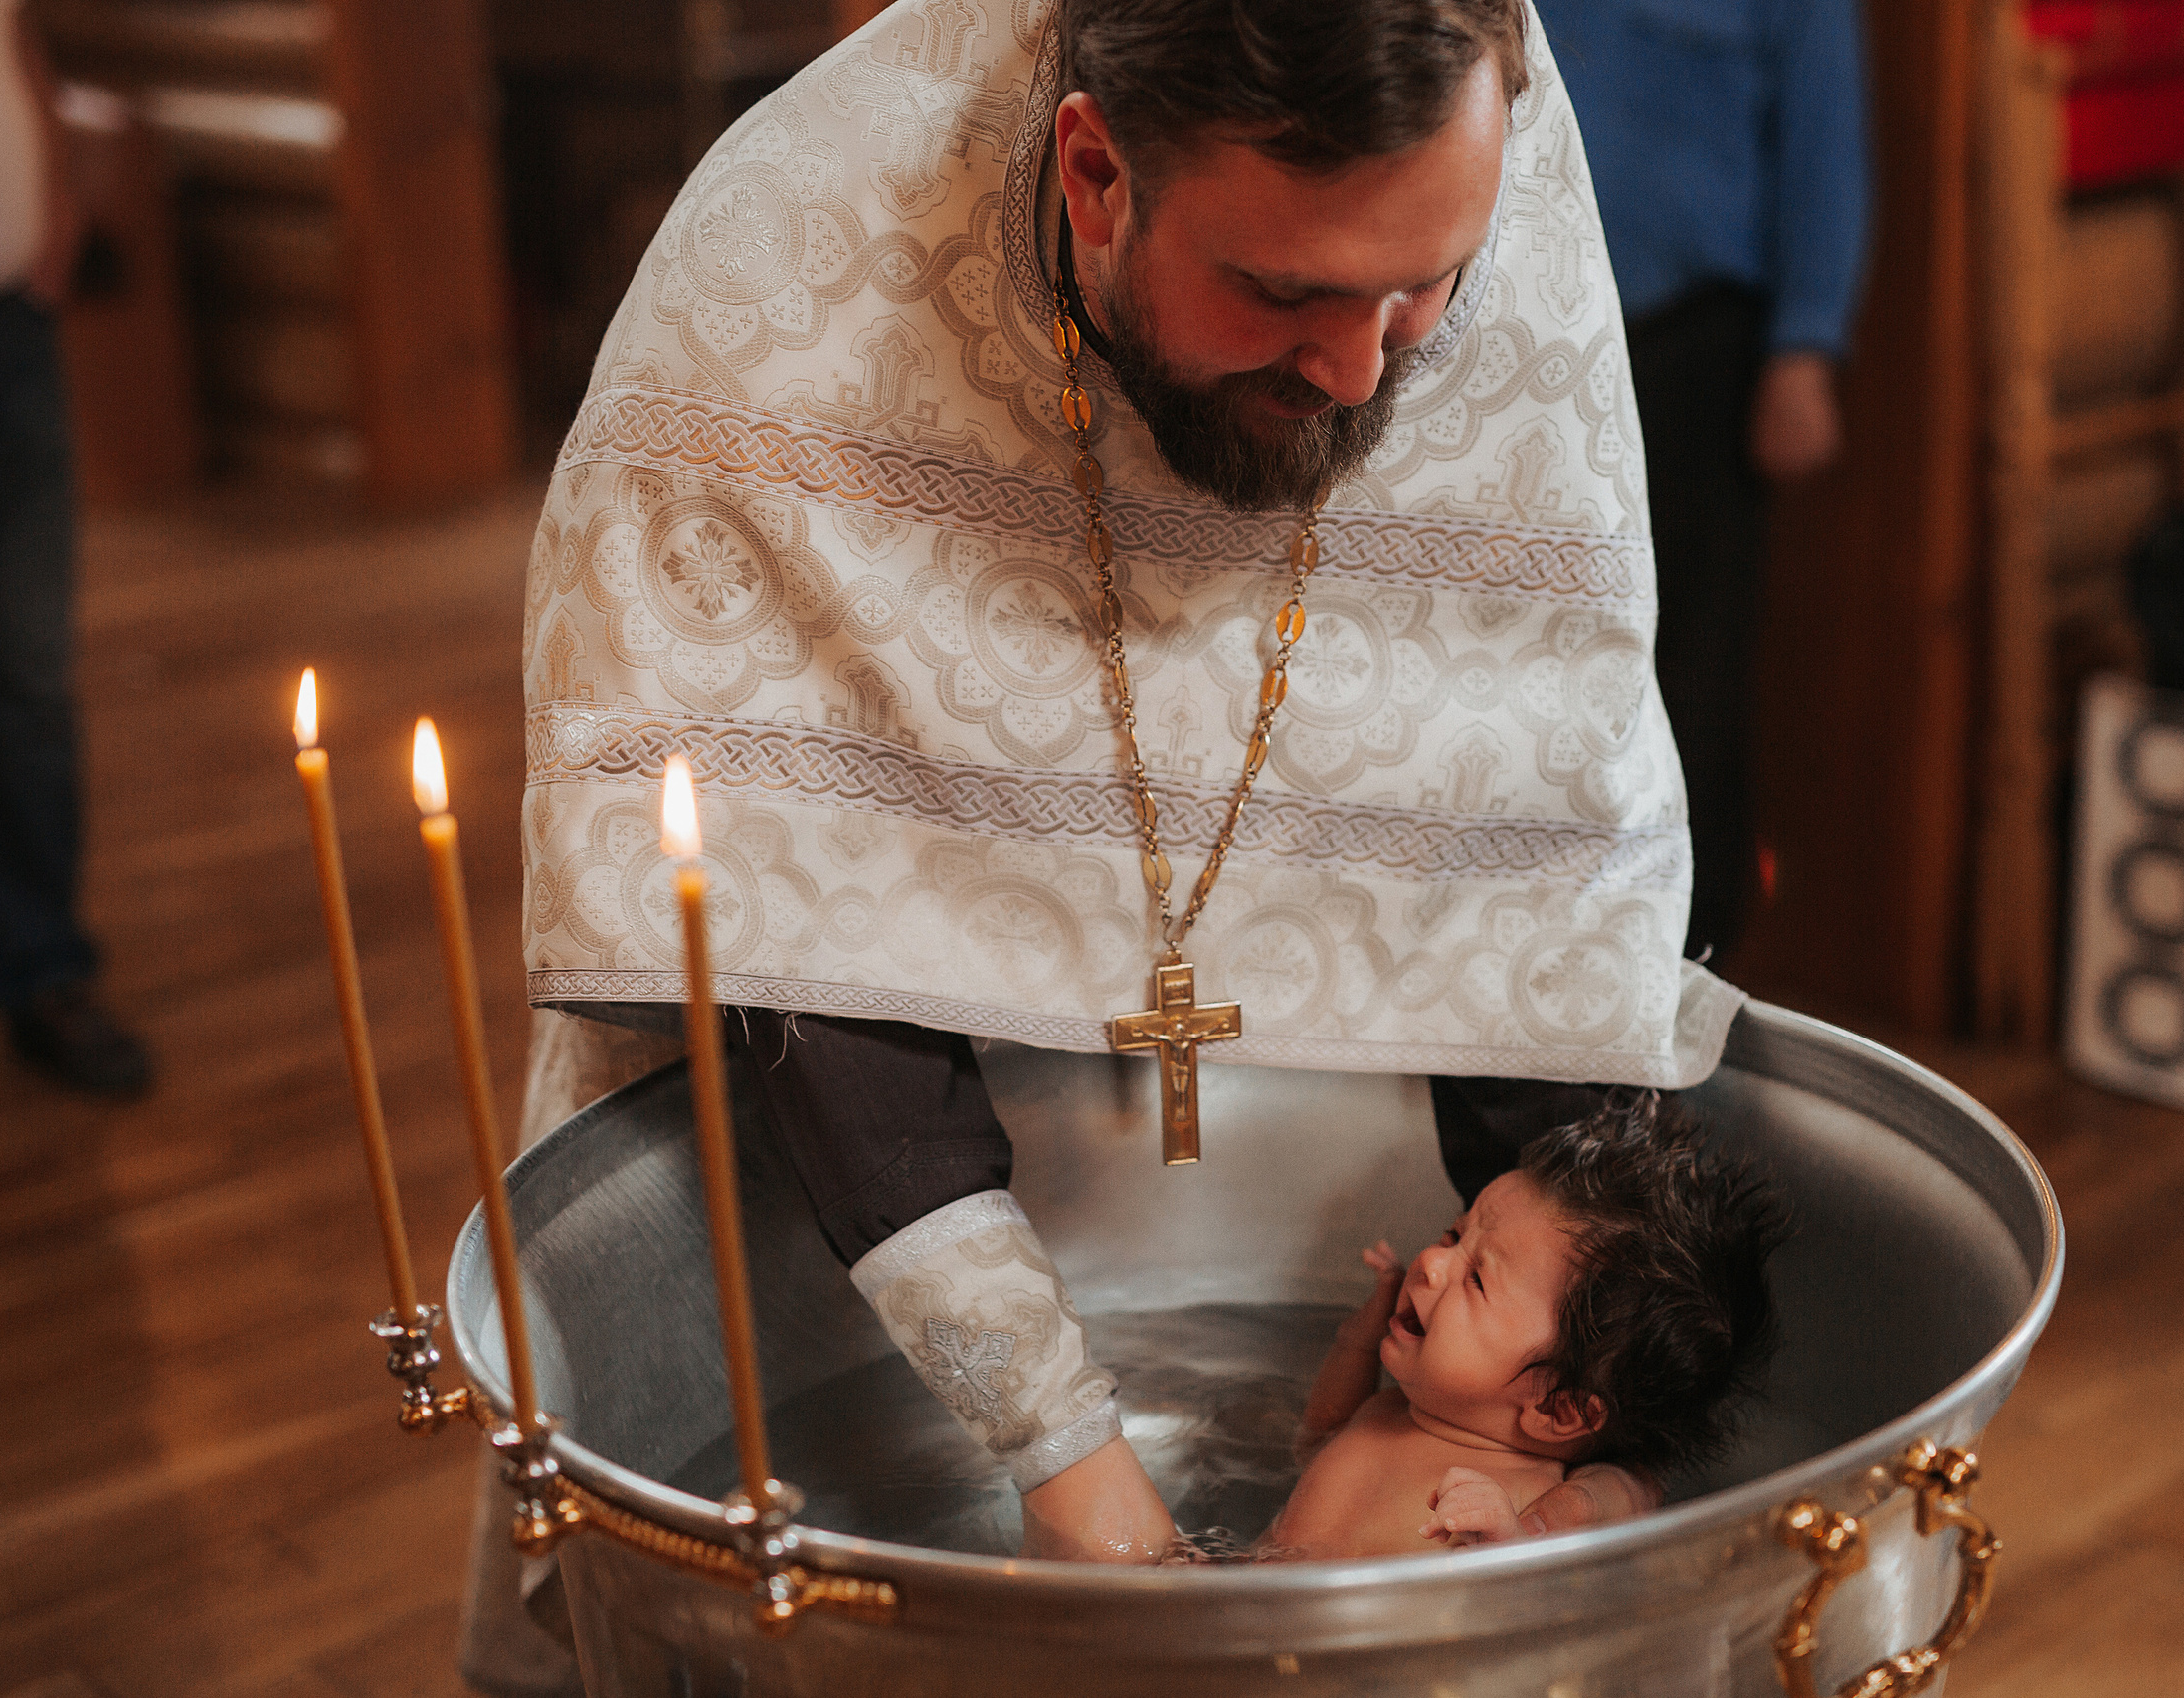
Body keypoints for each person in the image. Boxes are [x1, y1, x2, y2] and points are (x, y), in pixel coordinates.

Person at [469, 0, 1748, 1681]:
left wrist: (1607, 1483)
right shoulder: (787, 276)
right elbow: (790, 896)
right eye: (1287, 290)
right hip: (833, 1199)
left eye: (1423, 285)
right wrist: (1062, 1452)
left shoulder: (1497, 205)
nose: (1367, 373)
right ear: (1093, 172)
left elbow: (1533, 856)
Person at [1531, 0, 1872, 962]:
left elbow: (1824, 143)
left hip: (1694, 353)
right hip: (1520, 346)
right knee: (1527, 669)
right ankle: (1530, 986)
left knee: (1689, 686)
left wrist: (1806, 344)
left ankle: (1685, 975)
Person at [1268, 1094, 1783, 1559]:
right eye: (1453, 1235)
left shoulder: (1524, 1502)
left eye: (1475, 1281)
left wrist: (1505, 1550)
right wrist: (1358, 1340)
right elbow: (1317, 1438)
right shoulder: (1390, 1410)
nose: (1429, 1261)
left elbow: (1524, 1617)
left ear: (1556, 1407)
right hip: (1256, 1594)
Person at [0, 0, 152, 1097]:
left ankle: (43, 974)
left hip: (4, 336)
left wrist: (55, 222)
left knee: (24, 678)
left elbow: (10, 41)